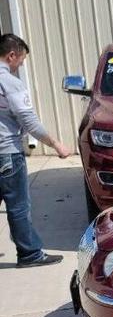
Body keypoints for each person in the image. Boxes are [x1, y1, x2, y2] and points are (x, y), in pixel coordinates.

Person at [0, 33, 70, 267]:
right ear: (11, 55)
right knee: (18, 206)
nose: (21, 64)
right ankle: (30, 254)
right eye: (21, 59)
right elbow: (28, 120)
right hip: (7, 152)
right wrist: (56, 144)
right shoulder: (9, 82)